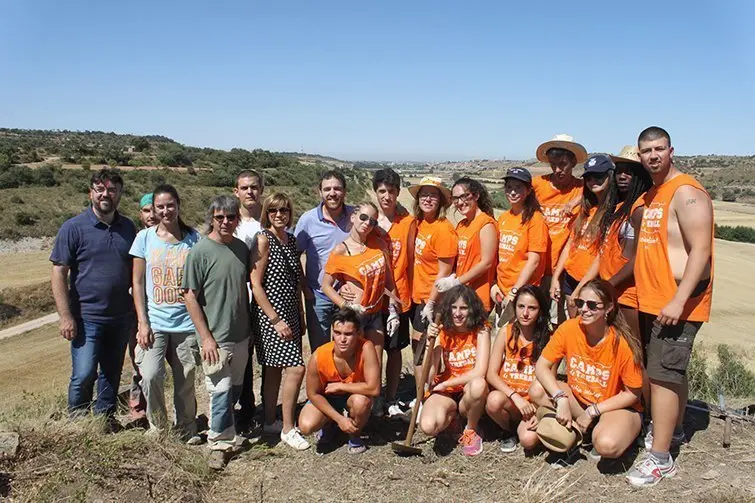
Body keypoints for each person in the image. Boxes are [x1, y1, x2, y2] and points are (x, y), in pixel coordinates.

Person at [626, 127, 714, 487]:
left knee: (661, 377)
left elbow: (701, 250)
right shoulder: (653, 194)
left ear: (671, 150)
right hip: (657, 300)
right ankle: (672, 431)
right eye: (645, 151)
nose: (652, 155)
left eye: (658, 148)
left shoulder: (687, 192)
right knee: (668, 373)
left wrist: (679, 300)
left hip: (678, 302)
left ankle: (660, 459)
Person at [50, 168, 137, 423]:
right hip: (86, 317)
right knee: (84, 373)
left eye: (112, 190)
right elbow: (58, 274)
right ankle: (78, 423)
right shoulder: (73, 228)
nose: (105, 195)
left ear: (120, 193)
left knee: (111, 373)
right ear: (91, 193)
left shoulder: (128, 227)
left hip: (120, 317)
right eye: (100, 189)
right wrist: (65, 316)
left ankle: (104, 421)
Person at [533, 279, 644, 466]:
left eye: (592, 305)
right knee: (536, 389)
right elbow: (541, 366)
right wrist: (560, 398)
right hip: (580, 401)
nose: (584, 309)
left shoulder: (621, 343)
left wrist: (594, 411)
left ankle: (620, 430)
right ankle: (583, 429)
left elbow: (633, 393)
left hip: (614, 407)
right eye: (580, 303)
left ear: (608, 308)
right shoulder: (569, 328)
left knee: (606, 445)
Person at [182, 196, 252, 470]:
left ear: (237, 220)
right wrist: (206, 337)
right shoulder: (200, 251)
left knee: (234, 389)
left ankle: (226, 429)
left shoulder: (240, 248)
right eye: (220, 217)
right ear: (211, 218)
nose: (225, 222)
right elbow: (190, 297)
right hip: (216, 338)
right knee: (220, 390)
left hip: (241, 334)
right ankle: (218, 445)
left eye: (231, 217)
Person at [130, 184, 201, 443]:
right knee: (150, 375)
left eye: (170, 205)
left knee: (185, 380)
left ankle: (186, 427)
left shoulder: (194, 238)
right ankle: (159, 427)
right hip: (155, 323)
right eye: (160, 206)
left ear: (178, 205)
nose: (165, 210)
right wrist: (142, 322)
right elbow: (137, 283)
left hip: (186, 323)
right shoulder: (144, 238)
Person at [322, 201, 401, 414]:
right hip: (353, 317)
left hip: (374, 313)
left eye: (372, 221)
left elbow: (388, 281)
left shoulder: (378, 245)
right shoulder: (341, 250)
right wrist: (345, 304)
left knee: (374, 361)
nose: (367, 223)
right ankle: (346, 406)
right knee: (351, 363)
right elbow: (326, 285)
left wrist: (393, 309)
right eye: (364, 217)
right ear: (354, 217)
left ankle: (371, 408)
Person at [249, 193, 310, 450]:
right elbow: (255, 283)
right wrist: (275, 319)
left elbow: (296, 281)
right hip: (270, 316)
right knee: (296, 368)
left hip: (291, 314)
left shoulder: (291, 239)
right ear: (267, 213)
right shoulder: (264, 240)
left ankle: (270, 420)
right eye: (273, 210)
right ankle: (287, 428)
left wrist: (301, 313)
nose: (279, 215)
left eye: (284, 210)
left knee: (273, 369)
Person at [419, 285, 491, 456]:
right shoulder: (442, 330)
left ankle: (471, 429)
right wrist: (430, 342)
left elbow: (480, 371)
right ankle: (453, 419)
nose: (458, 313)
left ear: (472, 309)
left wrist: (447, 384)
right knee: (428, 426)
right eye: (454, 307)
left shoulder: (482, 329)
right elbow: (429, 377)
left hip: (469, 390)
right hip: (447, 391)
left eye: (464, 308)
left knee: (479, 384)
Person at [297, 308, 380, 454]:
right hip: (327, 398)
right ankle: (330, 424)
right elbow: (313, 394)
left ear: (358, 333)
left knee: (362, 402)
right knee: (306, 425)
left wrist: (342, 386)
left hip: (352, 397)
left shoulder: (367, 348)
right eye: (337, 333)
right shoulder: (319, 355)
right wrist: (339, 419)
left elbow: (374, 388)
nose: (342, 339)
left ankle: (354, 434)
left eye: (348, 334)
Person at [486, 285, 552, 453]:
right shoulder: (505, 332)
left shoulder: (549, 339)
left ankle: (527, 427)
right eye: (521, 306)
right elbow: (491, 374)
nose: (525, 313)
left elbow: (549, 383)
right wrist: (515, 397)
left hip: (532, 404)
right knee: (493, 400)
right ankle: (507, 431)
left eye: (532, 308)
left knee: (528, 441)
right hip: (510, 399)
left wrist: (539, 411)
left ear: (540, 311)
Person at [550, 155, 618, 319]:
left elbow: (601, 257)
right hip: (571, 277)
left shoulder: (613, 213)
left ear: (610, 176)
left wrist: (581, 289)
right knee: (573, 326)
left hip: (591, 282)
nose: (593, 180)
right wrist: (556, 277)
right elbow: (570, 245)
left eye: (599, 176)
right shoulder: (586, 210)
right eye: (588, 177)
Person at [372, 169, 416, 418]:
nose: (387, 196)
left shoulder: (407, 222)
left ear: (398, 192)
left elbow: (410, 259)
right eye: (382, 191)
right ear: (376, 193)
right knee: (372, 349)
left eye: (391, 191)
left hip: (399, 297)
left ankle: (391, 398)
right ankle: (374, 394)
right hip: (373, 298)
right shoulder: (370, 220)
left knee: (395, 349)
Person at [295, 170, 354, 350]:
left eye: (337, 188)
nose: (332, 193)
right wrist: (305, 288)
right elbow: (295, 255)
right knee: (321, 350)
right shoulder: (308, 220)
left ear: (344, 191)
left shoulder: (355, 216)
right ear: (319, 192)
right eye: (327, 189)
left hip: (349, 296)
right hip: (318, 296)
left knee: (347, 349)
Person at [533, 134, 587, 324]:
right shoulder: (538, 184)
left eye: (563, 163)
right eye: (553, 164)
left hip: (565, 269)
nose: (558, 169)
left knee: (561, 322)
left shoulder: (581, 188)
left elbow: (608, 185)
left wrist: (576, 200)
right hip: (537, 267)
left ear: (573, 162)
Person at [409, 176, 457, 377]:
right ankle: (421, 393)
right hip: (417, 296)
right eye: (424, 194)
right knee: (418, 348)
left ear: (441, 202)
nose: (428, 199)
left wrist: (430, 302)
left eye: (433, 196)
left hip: (431, 299)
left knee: (426, 351)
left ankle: (427, 394)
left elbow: (444, 272)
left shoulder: (443, 230)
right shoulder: (420, 223)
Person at [491, 168, 548, 325]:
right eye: (509, 187)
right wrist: (495, 283)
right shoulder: (503, 218)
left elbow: (534, 260)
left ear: (528, 190)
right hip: (502, 291)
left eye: (518, 187)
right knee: (503, 338)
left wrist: (515, 291)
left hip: (522, 293)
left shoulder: (535, 219)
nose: (513, 192)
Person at [436, 177, 497, 313]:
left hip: (477, 296)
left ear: (476, 196)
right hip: (461, 295)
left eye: (464, 196)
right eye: (455, 198)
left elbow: (486, 263)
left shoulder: (486, 224)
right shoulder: (462, 225)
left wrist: (456, 282)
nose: (459, 202)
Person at [233, 170, 264, 432]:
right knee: (242, 358)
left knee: (266, 357)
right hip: (240, 300)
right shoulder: (230, 223)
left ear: (261, 189)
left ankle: (266, 408)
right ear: (237, 192)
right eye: (245, 188)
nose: (250, 192)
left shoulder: (271, 219)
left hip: (265, 300)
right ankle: (245, 406)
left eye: (254, 187)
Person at [126, 193, 157, 421]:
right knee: (142, 365)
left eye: (155, 210)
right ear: (141, 214)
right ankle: (139, 411)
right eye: (147, 211)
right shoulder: (136, 239)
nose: (152, 215)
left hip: (166, 311)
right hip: (137, 312)